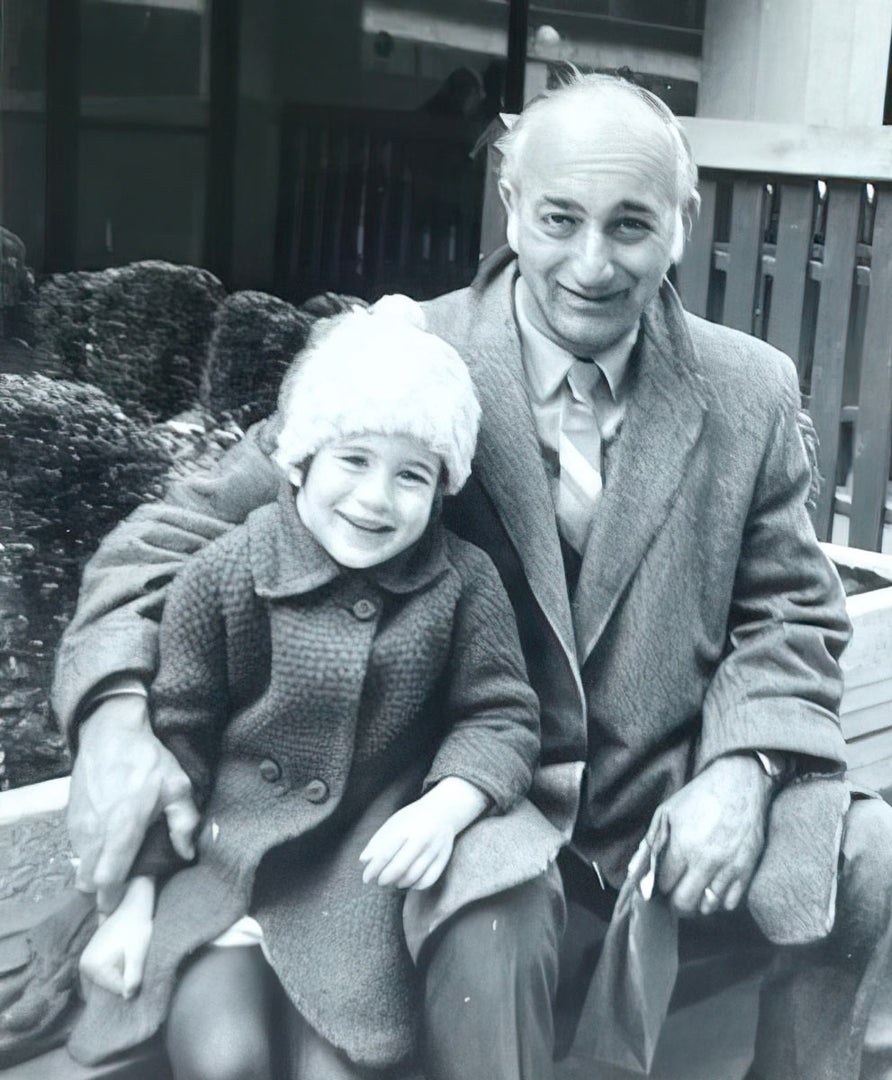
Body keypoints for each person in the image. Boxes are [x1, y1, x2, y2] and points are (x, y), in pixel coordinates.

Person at [54, 72, 892, 1080]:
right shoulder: (405, 356)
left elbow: (792, 611)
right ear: (510, 204)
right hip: (469, 791)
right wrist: (115, 718)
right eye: (560, 219)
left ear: (682, 226)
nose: (592, 264)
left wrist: (746, 766)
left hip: (669, 780)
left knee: (874, 858)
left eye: (631, 226)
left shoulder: (749, 387)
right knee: (486, 916)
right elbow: (171, 536)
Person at [65, 300, 555, 1079]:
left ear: (442, 488)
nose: (374, 499)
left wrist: (450, 801)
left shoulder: (463, 584)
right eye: (352, 461)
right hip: (225, 873)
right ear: (298, 462)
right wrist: (130, 905)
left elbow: (499, 713)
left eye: (411, 476)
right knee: (224, 1060)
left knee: (339, 1066)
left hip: (356, 886)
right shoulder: (227, 573)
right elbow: (179, 737)